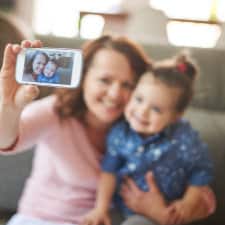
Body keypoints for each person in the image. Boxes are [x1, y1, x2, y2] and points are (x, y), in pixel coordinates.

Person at [0, 36, 215, 225]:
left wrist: (158, 212)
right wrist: (9, 107)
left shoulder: (142, 126)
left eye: (128, 85)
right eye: (105, 80)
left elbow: (205, 199)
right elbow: (5, 140)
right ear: (83, 78)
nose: (114, 94)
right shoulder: (56, 111)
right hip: (43, 220)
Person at [82, 53, 214, 225]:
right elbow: (109, 172)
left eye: (156, 109)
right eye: (138, 99)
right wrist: (101, 208)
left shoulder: (184, 138)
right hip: (123, 208)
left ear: (176, 116)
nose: (141, 111)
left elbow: (201, 171)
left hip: (166, 212)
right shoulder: (120, 134)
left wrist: (188, 203)